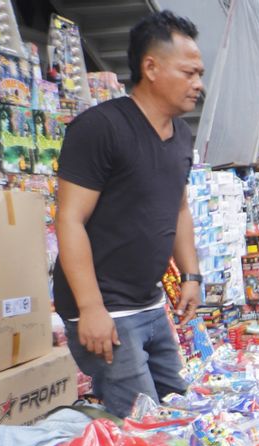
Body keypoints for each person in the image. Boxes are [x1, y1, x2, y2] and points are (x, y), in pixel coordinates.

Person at [52, 10, 203, 418]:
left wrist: (190, 274)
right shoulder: (100, 128)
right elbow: (69, 219)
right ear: (150, 67)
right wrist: (90, 309)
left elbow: (179, 206)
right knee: (142, 427)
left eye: (199, 73)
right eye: (189, 73)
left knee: (179, 409)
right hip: (107, 309)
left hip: (150, 302)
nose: (198, 84)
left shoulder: (182, 134)